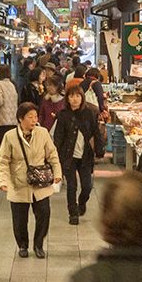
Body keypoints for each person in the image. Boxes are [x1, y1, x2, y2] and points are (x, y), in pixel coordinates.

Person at [0, 102, 61, 259]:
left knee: (44, 214)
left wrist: (57, 173)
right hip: (19, 183)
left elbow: (52, 154)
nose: (34, 120)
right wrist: (3, 181)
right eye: (30, 117)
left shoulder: (43, 133)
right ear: (20, 119)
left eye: (35, 117)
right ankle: (22, 245)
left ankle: (38, 244)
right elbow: (3, 160)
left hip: (40, 182)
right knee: (19, 219)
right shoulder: (10, 136)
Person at [51, 81, 101, 225]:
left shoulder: (89, 113)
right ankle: (72, 212)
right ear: (67, 98)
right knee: (71, 186)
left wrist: (99, 148)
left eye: (78, 96)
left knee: (87, 185)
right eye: (71, 96)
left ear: (82, 97)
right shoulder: (63, 115)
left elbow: (95, 132)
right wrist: (56, 156)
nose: (75, 99)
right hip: (68, 156)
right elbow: (59, 136)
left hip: (85, 155)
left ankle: (82, 202)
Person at [0, 64, 19, 152]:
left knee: (1, 149)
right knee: (10, 148)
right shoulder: (12, 84)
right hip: (13, 121)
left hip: (1, 122)